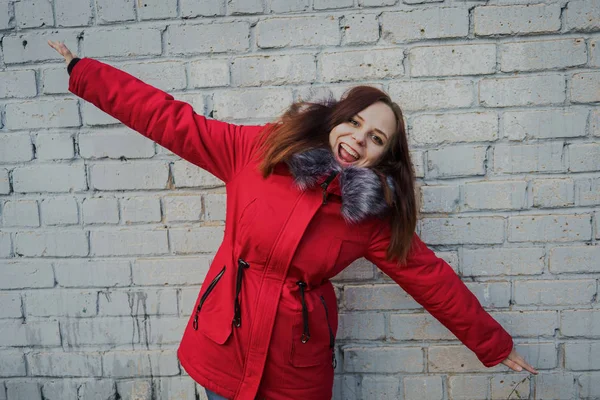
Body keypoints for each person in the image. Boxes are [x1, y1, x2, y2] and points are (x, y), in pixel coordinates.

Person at [48, 40, 537, 400]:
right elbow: (170, 120)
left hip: (294, 368)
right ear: (336, 119)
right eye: (357, 123)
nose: (360, 139)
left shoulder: (369, 218)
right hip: (225, 340)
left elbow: (432, 279)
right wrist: (85, 72)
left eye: (377, 139)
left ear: (383, 159)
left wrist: (493, 344)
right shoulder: (257, 151)